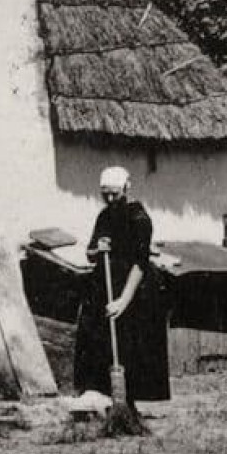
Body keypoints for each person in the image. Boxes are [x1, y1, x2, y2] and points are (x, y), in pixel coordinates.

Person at [74, 166, 170, 408]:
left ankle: (129, 403)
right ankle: (102, 397)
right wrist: (98, 249)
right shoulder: (104, 216)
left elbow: (140, 263)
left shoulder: (140, 219)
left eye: (114, 194)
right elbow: (89, 253)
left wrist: (123, 302)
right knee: (96, 339)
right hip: (103, 286)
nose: (108, 199)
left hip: (134, 289)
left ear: (127, 188)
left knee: (130, 343)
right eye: (104, 193)